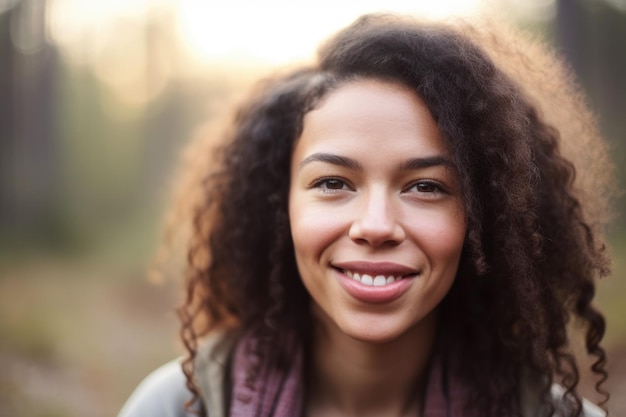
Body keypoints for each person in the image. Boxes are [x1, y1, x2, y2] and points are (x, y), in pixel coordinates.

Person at [118, 13, 615, 417]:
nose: (375, 226)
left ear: (481, 220)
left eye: (426, 187)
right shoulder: (177, 407)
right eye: (333, 183)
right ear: (280, 206)